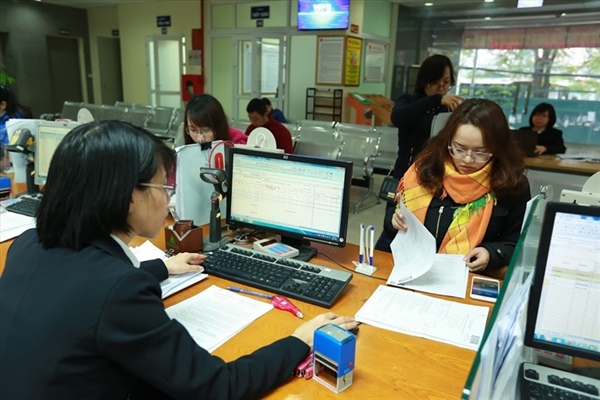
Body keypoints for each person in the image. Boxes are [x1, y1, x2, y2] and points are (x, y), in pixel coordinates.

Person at [0, 120, 357, 399]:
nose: (169, 200)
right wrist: (299, 340)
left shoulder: (29, 244)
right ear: (129, 197)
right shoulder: (120, 290)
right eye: (163, 187)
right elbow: (218, 387)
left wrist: (161, 267)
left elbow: (86, 287)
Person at [383, 99, 530, 272]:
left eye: (480, 152)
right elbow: (392, 220)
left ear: (498, 149)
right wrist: (394, 221)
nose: (467, 159)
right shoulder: (425, 169)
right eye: (459, 149)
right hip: (410, 268)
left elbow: (517, 244)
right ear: (449, 141)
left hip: (466, 275)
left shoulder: (511, 184)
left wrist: (491, 253)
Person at [375, 54, 463, 251]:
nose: (442, 88)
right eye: (436, 83)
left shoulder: (448, 106)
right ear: (425, 81)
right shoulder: (409, 101)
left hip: (437, 178)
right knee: (394, 228)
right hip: (406, 176)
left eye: (447, 82)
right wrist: (435, 100)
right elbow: (398, 117)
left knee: (426, 230)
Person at [182, 93, 247, 146]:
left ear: (219, 126)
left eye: (206, 130)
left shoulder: (238, 143)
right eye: (193, 130)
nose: (200, 139)